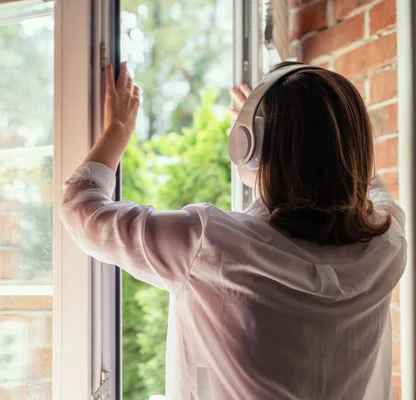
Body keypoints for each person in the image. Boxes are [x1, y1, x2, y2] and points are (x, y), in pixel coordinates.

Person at [60, 61, 406, 400]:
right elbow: (370, 186)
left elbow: (82, 211)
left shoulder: (209, 244)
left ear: (248, 145)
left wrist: (117, 130)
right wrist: (306, 137)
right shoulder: (387, 244)